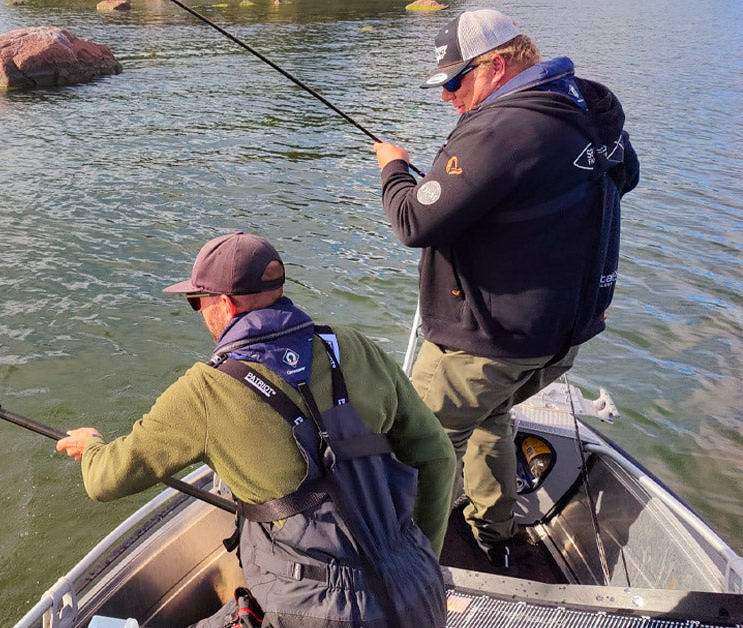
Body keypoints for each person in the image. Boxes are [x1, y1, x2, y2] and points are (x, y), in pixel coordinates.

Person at [56, 232, 454, 627]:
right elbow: (437, 455)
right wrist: (417, 555)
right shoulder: (352, 345)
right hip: (419, 586)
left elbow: (105, 480)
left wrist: (91, 445)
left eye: (198, 301)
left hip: (314, 612)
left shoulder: (205, 391)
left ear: (225, 306)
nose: (198, 312)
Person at [371, 9, 640, 568]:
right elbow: (623, 178)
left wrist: (394, 168)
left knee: (414, 442)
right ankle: (495, 532)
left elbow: (413, 223)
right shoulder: (589, 107)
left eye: (454, 80)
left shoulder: (501, 127)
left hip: (488, 341)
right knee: (490, 416)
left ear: (495, 65)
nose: (448, 97)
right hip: (561, 336)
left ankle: (405, 561)